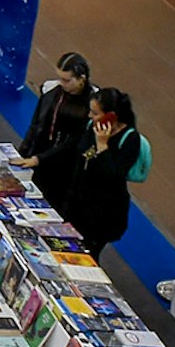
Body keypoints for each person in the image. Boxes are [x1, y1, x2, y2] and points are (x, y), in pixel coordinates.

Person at [64, 88, 141, 262]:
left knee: (88, 255)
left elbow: (113, 177)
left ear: (111, 116)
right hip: (79, 203)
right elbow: (80, 155)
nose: (90, 115)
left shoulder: (130, 140)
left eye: (95, 112)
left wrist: (102, 145)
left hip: (103, 214)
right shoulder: (92, 126)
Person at [13, 51, 94, 205]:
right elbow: (36, 125)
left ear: (81, 79)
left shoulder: (91, 106)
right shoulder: (51, 92)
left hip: (65, 169)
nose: (62, 83)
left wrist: (38, 159)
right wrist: (23, 152)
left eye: (67, 80)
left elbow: (73, 143)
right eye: (60, 78)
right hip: (39, 158)